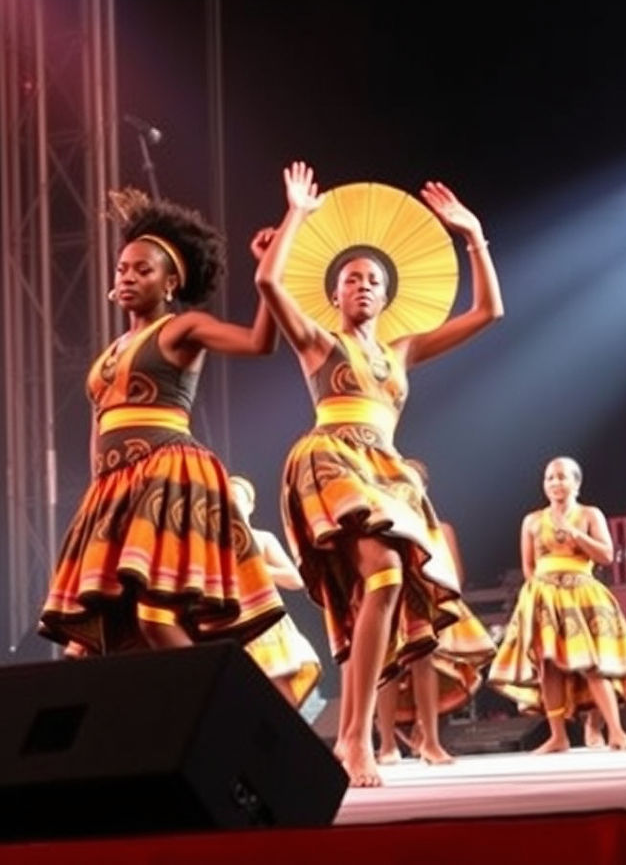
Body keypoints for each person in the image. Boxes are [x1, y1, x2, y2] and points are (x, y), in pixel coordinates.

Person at [255, 161, 504, 786]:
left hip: (387, 470)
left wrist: (473, 235)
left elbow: (488, 313)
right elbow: (267, 280)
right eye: (350, 279)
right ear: (334, 294)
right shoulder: (318, 342)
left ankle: (354, 737)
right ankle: (356, 740)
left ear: (387, 296)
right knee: (384, 572)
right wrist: (298, 215)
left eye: (372, 279)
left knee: (389, 585)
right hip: (333, 457)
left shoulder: (400, 351)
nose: (362, 285)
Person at [39, 188, 286, 654]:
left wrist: (268, 274)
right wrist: (99, 498)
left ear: (170, 283)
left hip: (166, 474)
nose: (128, 277)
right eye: (122, 269)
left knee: (155, 616)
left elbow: (259, 342)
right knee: (99, 634)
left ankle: (209, 708)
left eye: (143, 269)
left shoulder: (179, 329)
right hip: (115, 490)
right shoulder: (111, 352)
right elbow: (100, 425)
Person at [488, 457, 626, 752]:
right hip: (543, 595)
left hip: (581, 592)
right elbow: (528, 565)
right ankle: (558, 735)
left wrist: (575, 533)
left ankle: (615, 731)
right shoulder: (532, 521)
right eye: (549, 478)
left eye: (562, 477)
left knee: (591, 663)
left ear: (576, 483)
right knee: (549, 667)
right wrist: (539, 593)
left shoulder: (589, 514)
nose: (555, 483)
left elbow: (606, 556)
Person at [373, 457, 495, 766]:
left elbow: (454, 573)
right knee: (388, 670)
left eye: (412, 482)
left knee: (424, 663)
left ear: (424, 489)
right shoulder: (384, 524)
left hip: (426, 600)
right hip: (390, 599)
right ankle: (387, 743)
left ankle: (430, 741)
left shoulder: (439, 528)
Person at [229, 475, 323, 707]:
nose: (231, 504)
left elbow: (295, 579)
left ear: (250, 506)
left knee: (282, 690)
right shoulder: (215, 545)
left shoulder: (262, 539)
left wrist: (255, 567)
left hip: (267, 623)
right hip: (236, 625)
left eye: (236, 499)